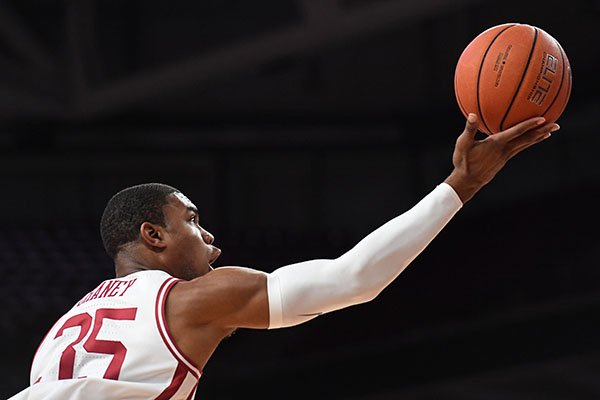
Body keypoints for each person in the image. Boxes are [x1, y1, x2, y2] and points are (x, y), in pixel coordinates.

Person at [9, 114, 559, 399]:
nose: (212, 241)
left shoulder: (63, 328)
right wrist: (461, 184)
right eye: (193, 221)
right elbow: (355, 278)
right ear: (152, 236)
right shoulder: (193, 300)